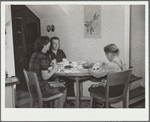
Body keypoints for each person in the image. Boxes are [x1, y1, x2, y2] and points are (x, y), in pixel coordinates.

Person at [28, 36, 67, 108]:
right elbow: (45, 77)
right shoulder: (43, 57)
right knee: (63, 87)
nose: (49, 48)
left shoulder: (33, 55)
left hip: (34, 89)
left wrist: (49, 63)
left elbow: (39, 66)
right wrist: (54, 70)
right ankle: (58, 112)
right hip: (42, 90)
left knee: (58, 84)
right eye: (48, 46)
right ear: (43, 45)